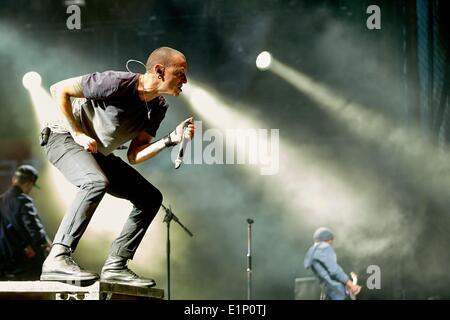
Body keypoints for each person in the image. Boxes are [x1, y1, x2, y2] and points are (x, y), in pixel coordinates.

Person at [40, 47, 195, 287]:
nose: (185, 80)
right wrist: (78, 132)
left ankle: (116, 265)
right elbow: (58, 89)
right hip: (63, 138)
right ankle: (57, 258)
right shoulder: (117, 83)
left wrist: (170, 140)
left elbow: (134, 155)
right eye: (180, 73)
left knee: (150, 198)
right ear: (159, 70)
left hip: (97, 152)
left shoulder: (159, 107)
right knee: (95, 182)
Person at [0, 165, 52, 280]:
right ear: (29, 184)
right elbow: (34, 230)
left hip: (5, 263)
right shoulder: (24, 201)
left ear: (14, 179)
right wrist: (47, 245)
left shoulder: (1, 200)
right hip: (27, 262)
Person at [304, 227, 361, 300]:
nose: (332, 243)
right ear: (328, 239)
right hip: (336, 293)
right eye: (331, 241)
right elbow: (334, 270)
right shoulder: (324, 247)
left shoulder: (312, 251)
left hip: (326, 292)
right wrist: (351, 285)